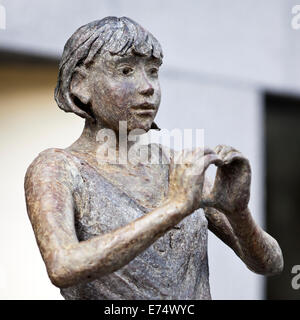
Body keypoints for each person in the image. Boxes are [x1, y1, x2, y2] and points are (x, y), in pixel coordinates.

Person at [24, 16, 283, 300]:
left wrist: (238, 213)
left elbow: (270, 263)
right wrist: (173, 208)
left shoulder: (177, 167)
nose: (148, 87)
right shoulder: (58, 168)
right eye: (125, 71)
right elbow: (63, 265)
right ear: (80, 85)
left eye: (153, 71)